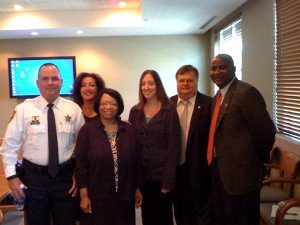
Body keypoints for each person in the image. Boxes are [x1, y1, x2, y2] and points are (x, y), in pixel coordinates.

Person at [0, 63, 85, 225]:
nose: (50, 82)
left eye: (54, 78)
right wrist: (12, 177)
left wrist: (78, 175)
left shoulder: (73, 110)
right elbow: (9, 147)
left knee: (66, 221)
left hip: (64, 179)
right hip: (33, 180)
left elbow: (81, 147)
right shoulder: (23, 110)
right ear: (38, 83)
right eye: (45, 79)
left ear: (61, 82)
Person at [209, 54, 276, 225]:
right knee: (224, 218)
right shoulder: (218, 97)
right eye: (213, 68)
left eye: (222, 67)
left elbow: (266, 132)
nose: (217, 72)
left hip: (243, 176)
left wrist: (253, 162)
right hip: (220, 172)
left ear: (233, 68)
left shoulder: (246, 93)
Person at [75, 88, 143, 225]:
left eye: (113, 104)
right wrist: (83, 196)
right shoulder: (87, 131)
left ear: (119, 107)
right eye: (104, 103)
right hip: (97, 198)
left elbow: (136, 162)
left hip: (125, 197)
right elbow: (81, 166)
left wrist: (137, 188)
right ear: (98, 106)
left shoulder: (128, 130)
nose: (108, 107)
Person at [129, 70, 181, 225]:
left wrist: (168, 181)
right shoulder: (135, 111)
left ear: (157, 85)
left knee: (163, 217)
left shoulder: (168, 110)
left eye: (150, 83)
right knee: (147, 216)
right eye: (143, 83)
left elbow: (174, 147)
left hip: (161, 178)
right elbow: (131, 145)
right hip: (142, 177)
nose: (147, 87)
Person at [170, 65, 212, 225]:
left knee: (202, 216)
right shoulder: (168, 105)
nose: (185, 83)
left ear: (197, 81)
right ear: (177, 82)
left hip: (201, 172)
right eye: (182, 80)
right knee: (180, 214)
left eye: (190, 80)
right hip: (176, 172)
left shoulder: (210, 104)